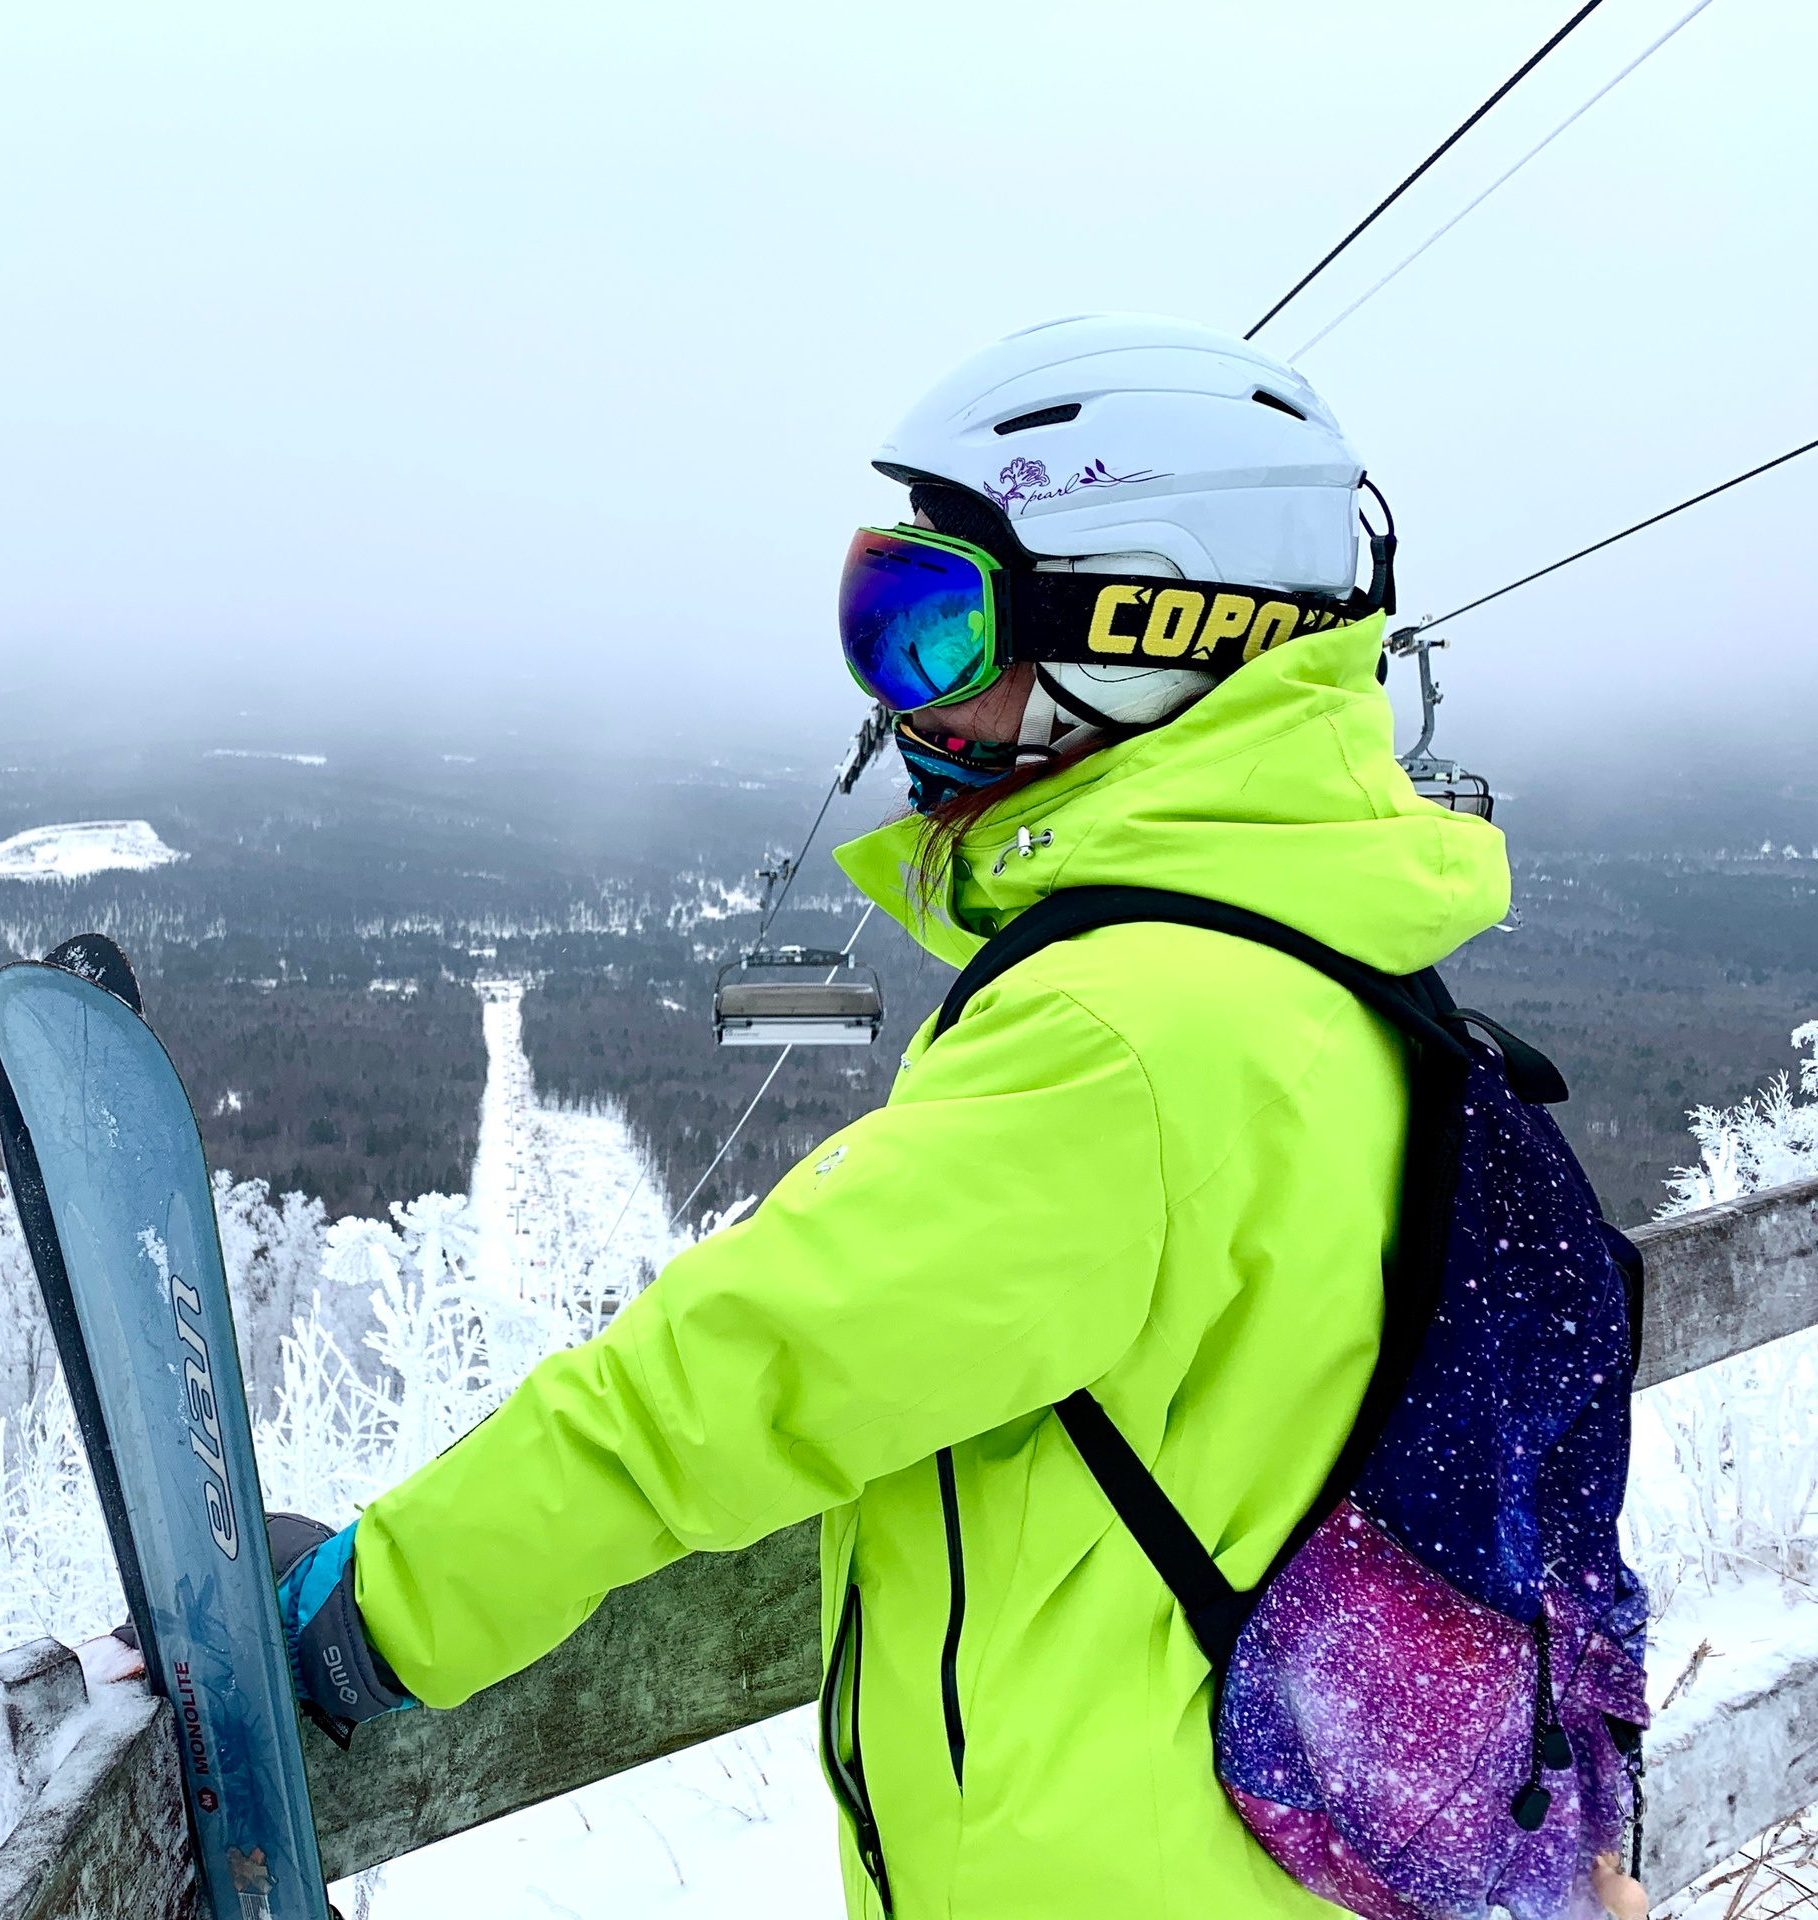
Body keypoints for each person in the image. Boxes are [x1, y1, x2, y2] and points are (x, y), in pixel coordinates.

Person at [276, 314, 1514, 1919]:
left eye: (937, 632)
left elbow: (737, 1373)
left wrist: (379, 1609)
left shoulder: (1116, 1039)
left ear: (1149, 631)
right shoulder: (1335, 958)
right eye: (883, 619)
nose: (900, 705)